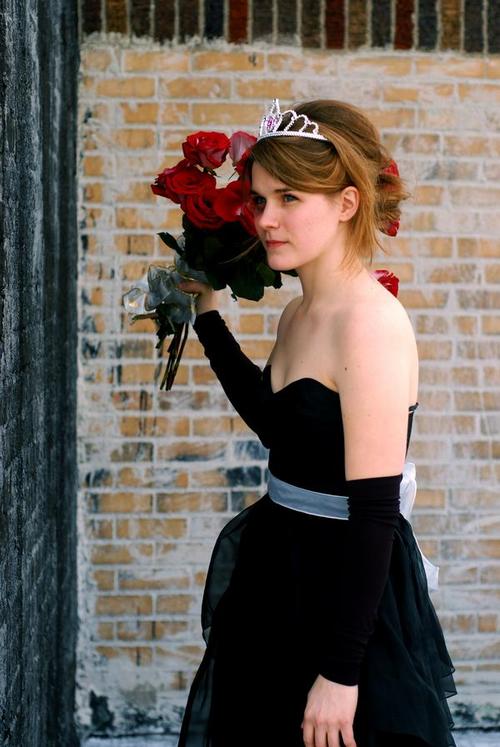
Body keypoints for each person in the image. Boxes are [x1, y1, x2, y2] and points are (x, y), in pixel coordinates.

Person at [175, 99, 457, 747]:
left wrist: (340, 672)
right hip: (279, 569)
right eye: (259, 199)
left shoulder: (371, 325)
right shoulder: (299, 314)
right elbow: (278, 425)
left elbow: (376, 513)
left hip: (343, 590)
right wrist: (209, 317)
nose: (265, 219)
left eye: (289, 198)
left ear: (347, 204)